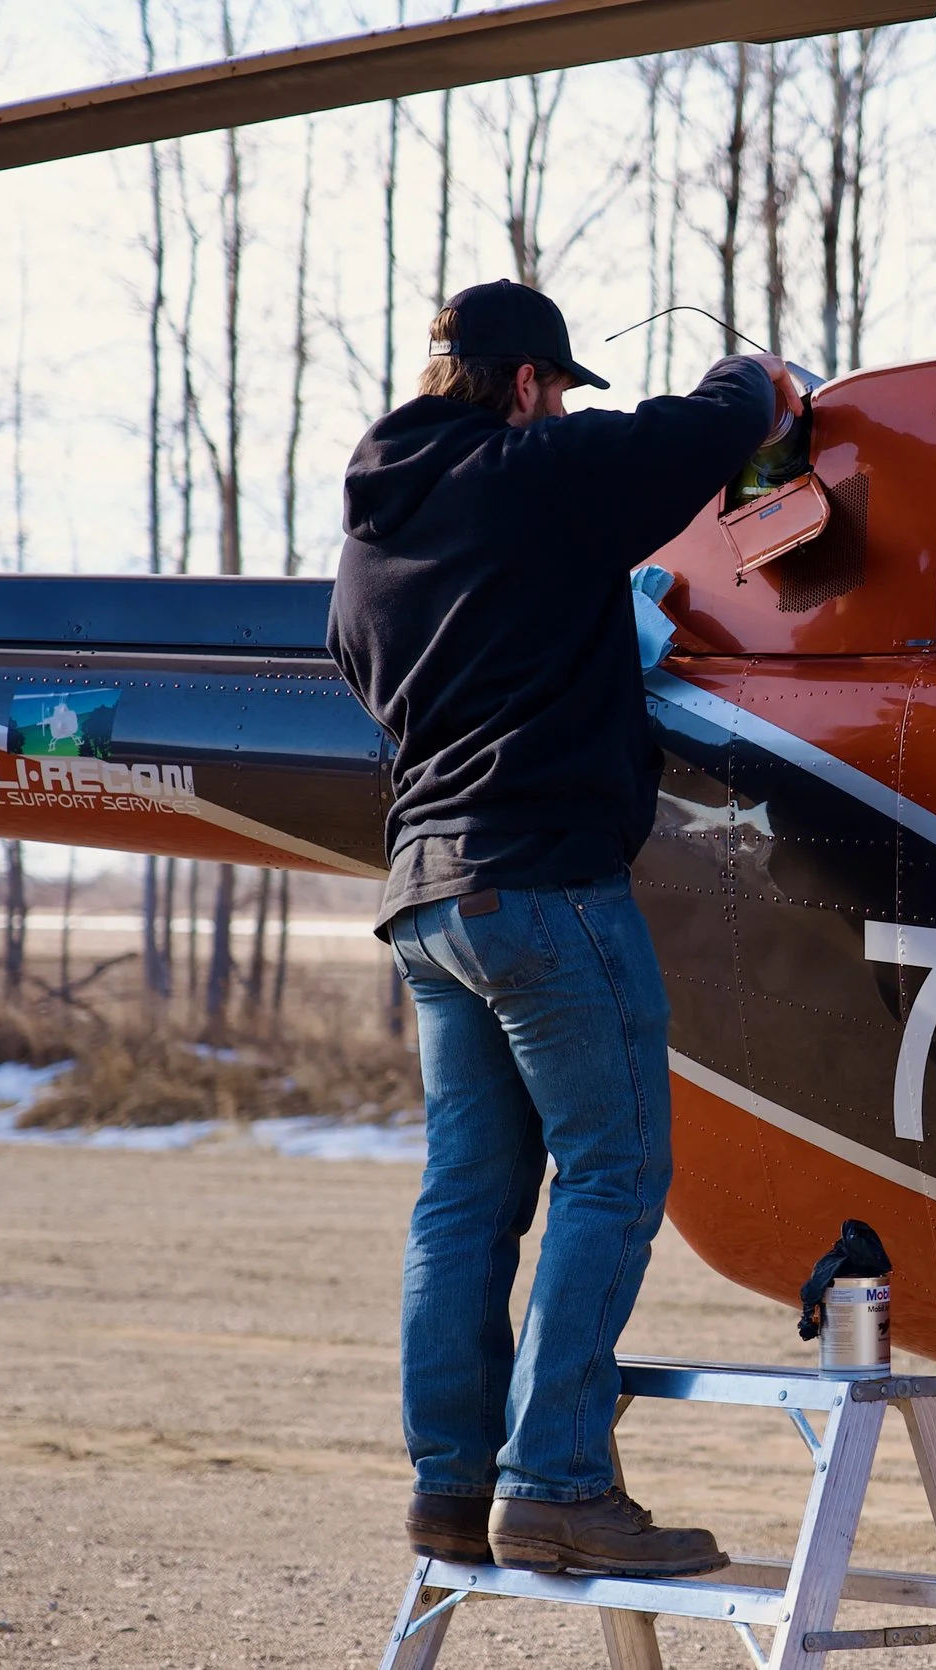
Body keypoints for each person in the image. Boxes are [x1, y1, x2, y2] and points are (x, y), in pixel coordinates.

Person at [327, 280, 798, 1576]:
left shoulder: (375, 532)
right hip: (539, 883)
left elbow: (372, 676)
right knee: (615, 1170)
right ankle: (558, 1481)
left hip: (424, 899)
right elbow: (683, 441)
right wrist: (757, 382)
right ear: (529, 384)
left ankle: (450, 1484)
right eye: (557, 389)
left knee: (465, 1203)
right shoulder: (528, 472)